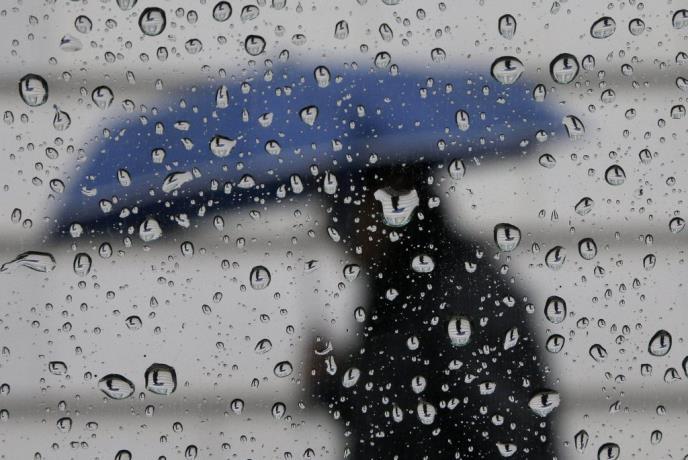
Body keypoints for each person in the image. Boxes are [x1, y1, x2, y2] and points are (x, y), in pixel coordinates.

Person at [311, 161, 558, 459]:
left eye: (345, 214)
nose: (338, 234)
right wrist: (333, 382)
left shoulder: (458, 292)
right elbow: (396, 407)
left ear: (391, 204)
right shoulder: (399, 289)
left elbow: (501, 429)